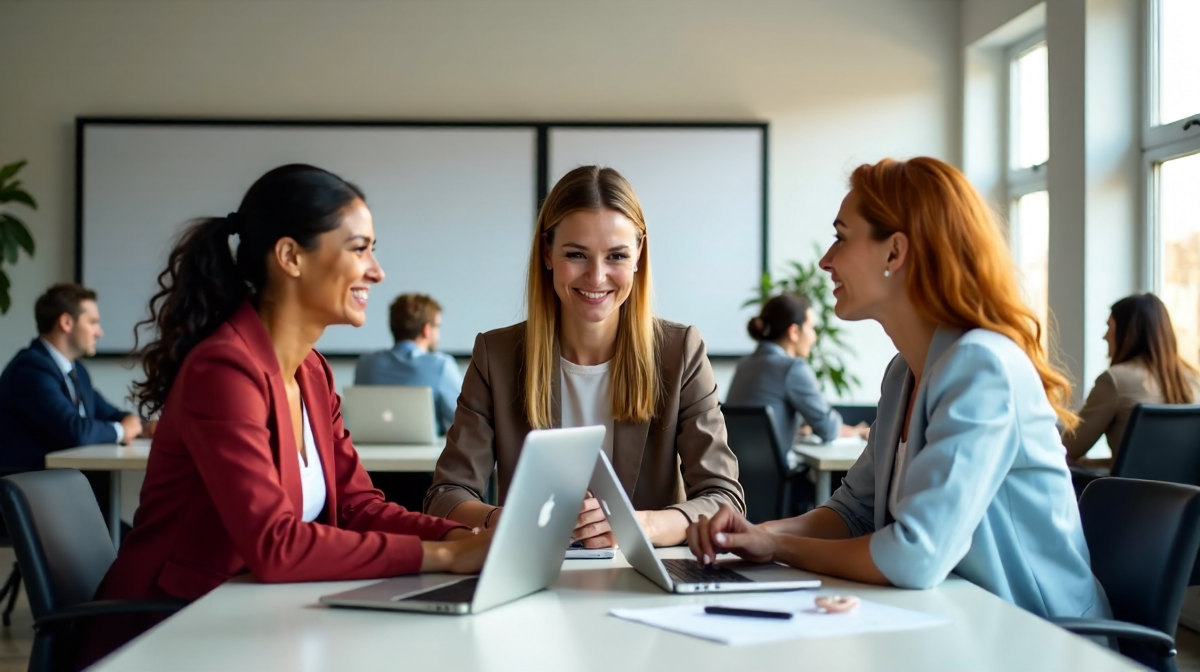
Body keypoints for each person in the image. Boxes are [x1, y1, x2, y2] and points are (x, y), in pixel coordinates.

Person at [686, 157, 1109, 620]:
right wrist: (755, 533)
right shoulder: (903, 373)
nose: (826, 260)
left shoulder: (982, 365)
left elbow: (915, 556)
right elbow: (854, 513)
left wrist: (778, 546)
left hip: (1038, 634)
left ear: (895, 252)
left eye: (841, 237)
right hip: (954, 620)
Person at [96, 165, 490, 619]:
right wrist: (443, 558)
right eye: (359, 250)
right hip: (170, 624)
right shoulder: (223, 370)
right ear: (290, 257)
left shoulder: (312, 371)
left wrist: (455, 535)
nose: (377, 272)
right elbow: (274, 544)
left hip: (255, 611)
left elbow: (358, 506)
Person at [425, 165, 745, 548]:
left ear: (639, 254)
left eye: (616, 256)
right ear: (547, 252)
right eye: (576, 254)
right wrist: (506, 520)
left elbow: (724, 500)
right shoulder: (497, 356)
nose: (596, 277)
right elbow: (446, 496)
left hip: (644, 583)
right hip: (531, 575)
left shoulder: (680, 352)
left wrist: (639, 526)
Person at [0, 283, 145, 524]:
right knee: (125, 540)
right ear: (66, 322)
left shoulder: (76, 371)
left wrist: (142, 426)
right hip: (31, 494)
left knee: (126, 536)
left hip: (64, 490)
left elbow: (109, 414)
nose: (100, 332)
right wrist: (123, 430)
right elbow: (76, 430)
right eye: (93, 322)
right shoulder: (31, 369)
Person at [1064, 293, 1200, 469]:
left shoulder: (1114, 380)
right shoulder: (1194, 379)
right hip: (1186, 496)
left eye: (1109, 327)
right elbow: (1164, 464)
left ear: (1126, 333)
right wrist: (1098, 463)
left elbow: (1069, 449)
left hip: (1131, 495)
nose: (1105, 336)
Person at [726, 293, 869, 459]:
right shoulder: (792, 368)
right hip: (777, 481)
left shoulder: (745, 365)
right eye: (811, 328)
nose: (813, 337)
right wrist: (855, 432)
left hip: (737, 476)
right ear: (794, 332)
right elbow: (828, 429)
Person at [355, 293, 461, 435]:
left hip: (369, 452)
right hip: (428, 456)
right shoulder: (441, 366)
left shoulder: (366, 364)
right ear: (427, 330)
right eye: (438, 326)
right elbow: (463, 421)